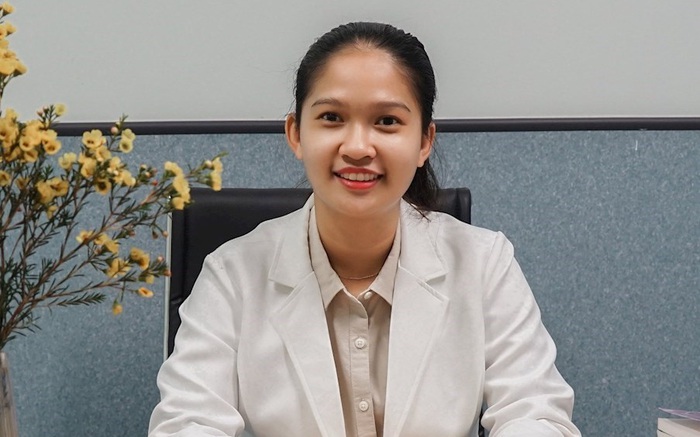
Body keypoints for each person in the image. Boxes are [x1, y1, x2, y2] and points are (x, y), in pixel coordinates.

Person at [148, 22, 581, 437]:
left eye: (387, 121)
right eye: (332, 117)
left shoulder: (484, 264)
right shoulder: (233, 275)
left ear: (424, 142)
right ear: (295, 134)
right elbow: (188, 422)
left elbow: (535, 412)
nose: (357, 147)